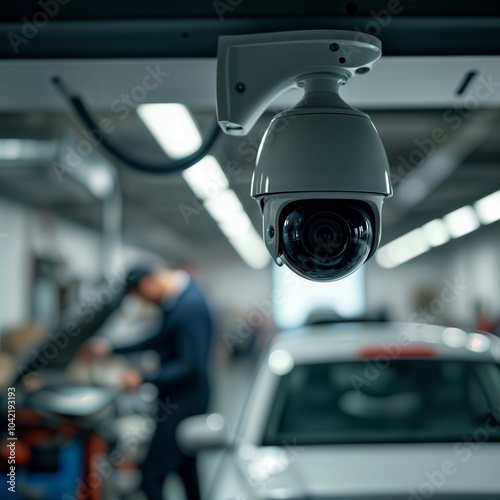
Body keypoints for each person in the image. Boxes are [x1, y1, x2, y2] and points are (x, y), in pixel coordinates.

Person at [88, 266, 213, 500]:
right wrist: (112, 348)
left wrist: (143, 377)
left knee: (151, 476)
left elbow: (190, 365)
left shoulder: (189, 308)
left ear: (148, 284)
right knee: (186, 469)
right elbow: (159, 339)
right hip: (183, 399)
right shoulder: (180, 300)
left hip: (183, 403)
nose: (145, 303)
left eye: (141, 297)